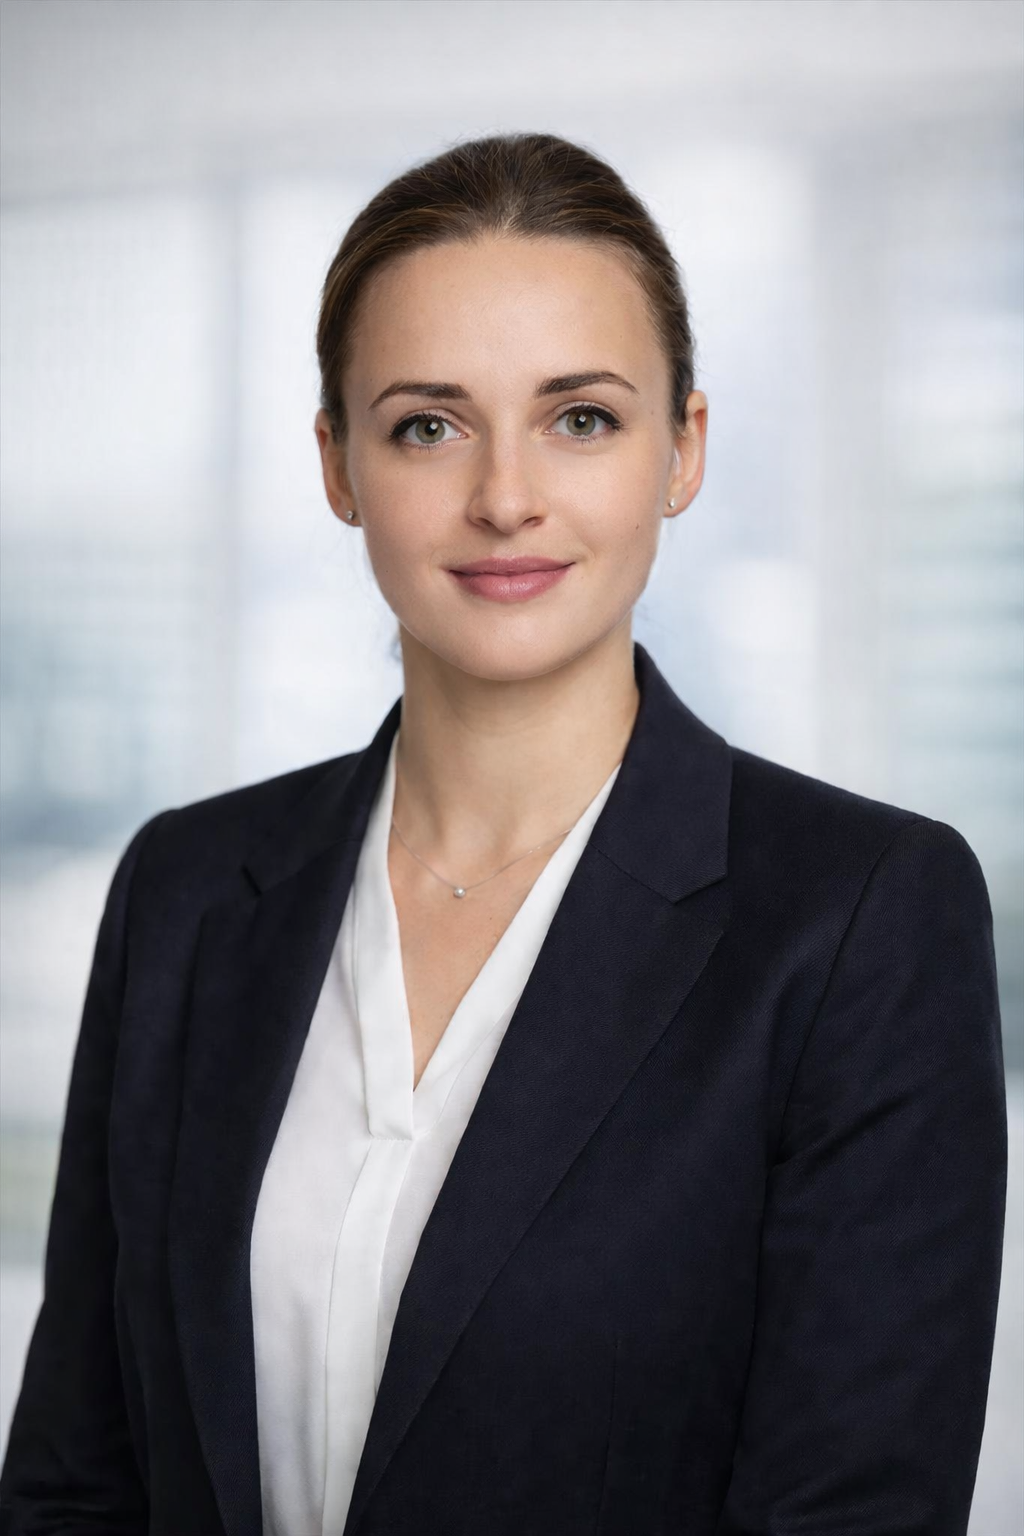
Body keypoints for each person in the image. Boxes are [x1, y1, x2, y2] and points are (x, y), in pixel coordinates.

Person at [0, 131, 1007, 1536]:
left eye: (580, 418)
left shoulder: (862, 919)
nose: (506, 497)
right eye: (429, 425)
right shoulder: (187, 890)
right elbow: (73, 1479)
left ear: (683, 450)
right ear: (339, 465)